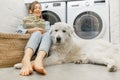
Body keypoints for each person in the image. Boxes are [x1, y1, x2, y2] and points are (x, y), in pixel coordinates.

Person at [16, 1, 51, 76]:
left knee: (48, 34)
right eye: (35, 8)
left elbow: (49, 32)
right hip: (30, 44)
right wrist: (32, 30)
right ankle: (26, 59)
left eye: (39, 8)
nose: (38, 9)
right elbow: (19, 30)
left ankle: (38, 60)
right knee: (37, 32)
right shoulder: (25, 21)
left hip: (41, 46)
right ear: (30, 11)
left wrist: (41, 30)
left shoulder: (46, 23)